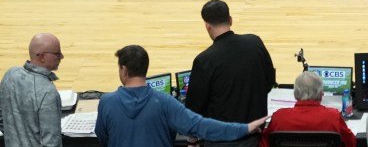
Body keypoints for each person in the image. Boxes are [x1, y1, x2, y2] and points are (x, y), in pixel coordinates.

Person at [96, 45, 266, 147]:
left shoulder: (106, 102)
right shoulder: (164, 102)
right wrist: (244, 128)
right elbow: (202, 126)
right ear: (145, 68)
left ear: (124, 70)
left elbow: (103, 138)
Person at [185, 0, 276, 147]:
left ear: (207, 27)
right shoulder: (255, 43)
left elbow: (194, 109)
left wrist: (192, 142)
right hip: (255, 139)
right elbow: (270, 81)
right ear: (230, 20)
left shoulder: (204, 60)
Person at [0, 33, 63, 147]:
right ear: (42, 57)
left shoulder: (10, 75)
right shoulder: (48, 92)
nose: (62, 56)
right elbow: (52, 143)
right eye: (57, 54)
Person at [259, 72, 355, 147]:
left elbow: (263, 144)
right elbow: (351, 143)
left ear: (295, 93)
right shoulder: (333, 116)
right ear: (321, 94)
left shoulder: (279, 117)